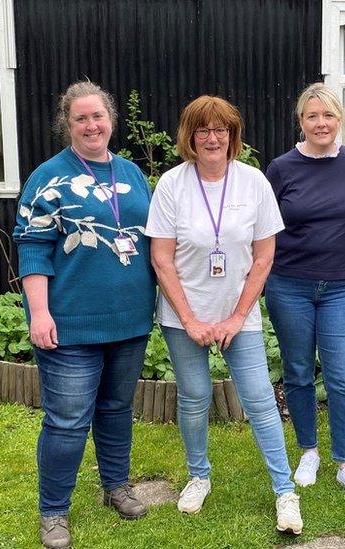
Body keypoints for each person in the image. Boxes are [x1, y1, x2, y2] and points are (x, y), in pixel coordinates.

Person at [146, 95, 303, 534]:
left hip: (241, 315)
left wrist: (236, 316)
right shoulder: (172, 185)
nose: (212, 138)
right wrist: (191, 320)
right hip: (183, 317)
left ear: (233, 136)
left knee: (258, 399)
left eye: (221, 130)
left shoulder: (253, 182)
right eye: (203, 130)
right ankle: (199, 475)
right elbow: (161, 259)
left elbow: (264, 257)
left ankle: (285, 491)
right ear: (190, 136)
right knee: (194, 397)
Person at [13, 81, 155, 549]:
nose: (92, 125)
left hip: (130, 321)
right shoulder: (48, 177)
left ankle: (115, 486)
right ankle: (54, 512)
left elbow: (155, 240)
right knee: (68, 421)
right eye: (81, 119)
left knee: (115, 409)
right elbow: (32, 247)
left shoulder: (132, 174)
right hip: (70, 323)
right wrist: (39, 313)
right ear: (68, 125)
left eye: (98, 116)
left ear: (110, 119)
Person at [264, 83, 345, 501]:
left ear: (338, 119)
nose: (320, 123)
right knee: (297, 372)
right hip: (289, 284)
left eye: (327, 115)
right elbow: (265, 225)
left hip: (340, 287)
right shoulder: (282, 167)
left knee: (343, 376)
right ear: (301, 122)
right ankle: (308, 450)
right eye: (312, 116)